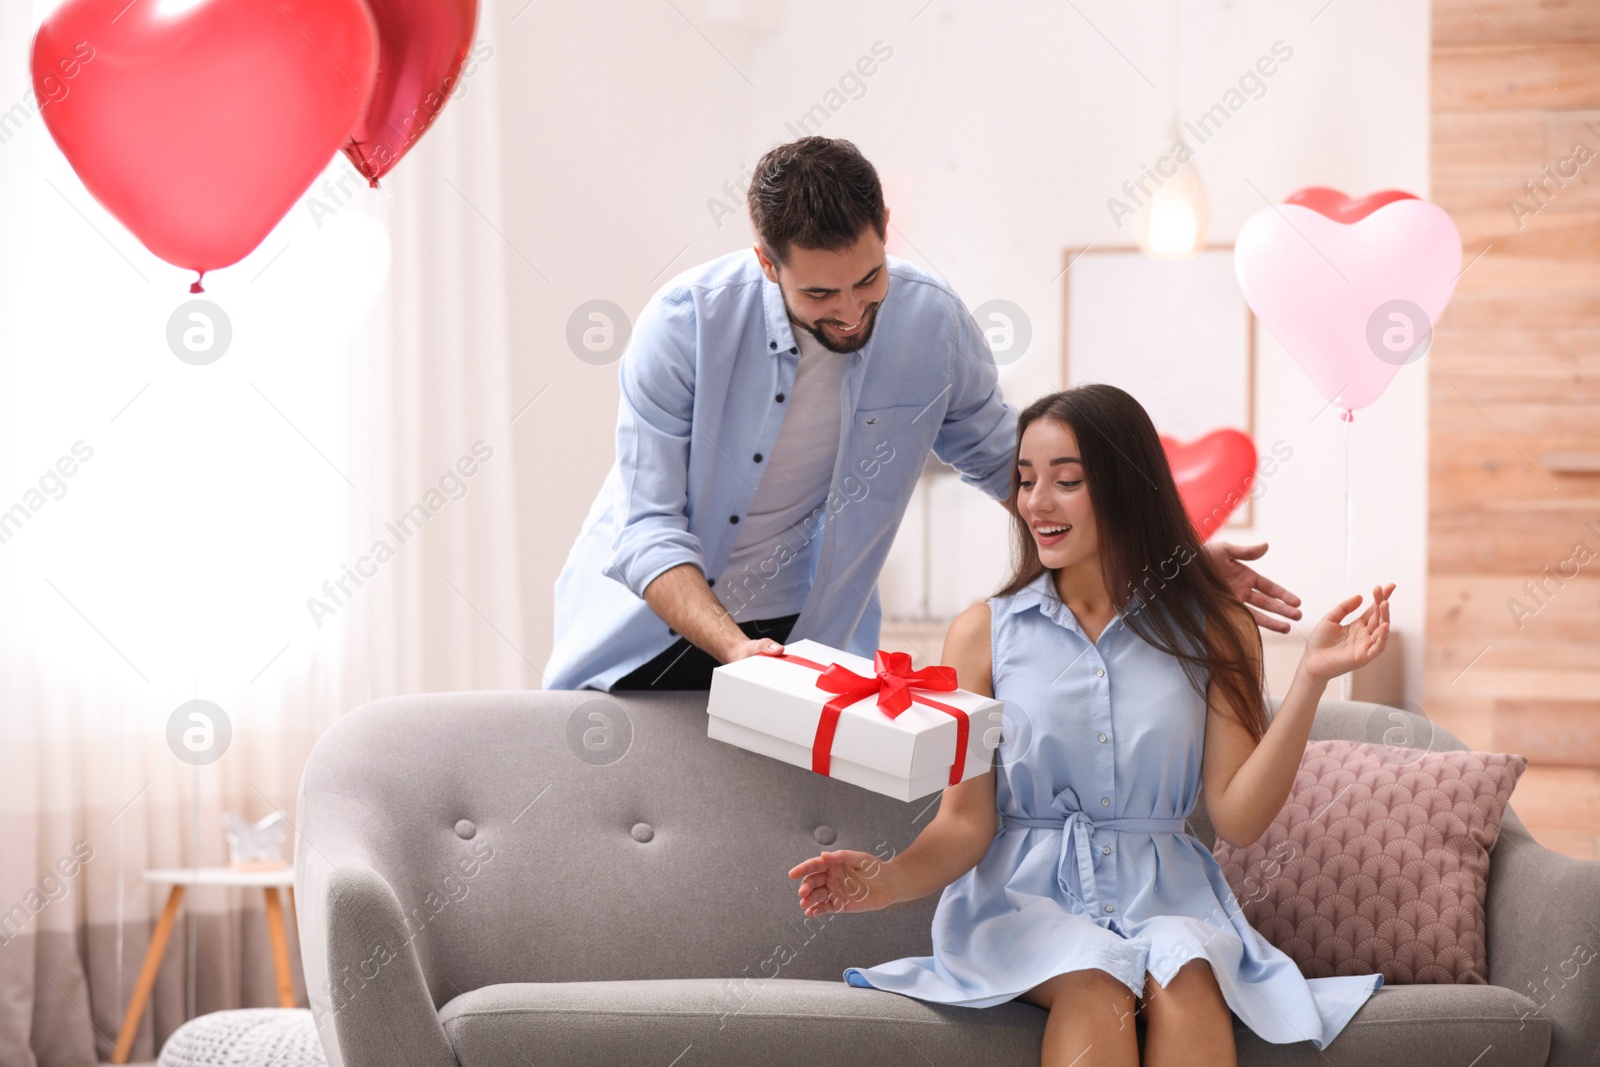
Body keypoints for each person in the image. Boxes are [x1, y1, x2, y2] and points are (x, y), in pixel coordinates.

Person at [543, 137, 1302, 692]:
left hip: (809, 640)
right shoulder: (683, 328)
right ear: (767, 262)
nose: (849, 312)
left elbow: (1016, 470)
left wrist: (1174, 559)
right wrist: (733, 649)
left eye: (867, 279)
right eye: (819, 295)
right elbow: (646, 529)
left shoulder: (929, 325)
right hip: (653, 630)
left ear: (885, 223)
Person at [788, 384, 1393, 1066]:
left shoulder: (1216, 627)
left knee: (1188, 981)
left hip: (1167, 898)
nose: (1036, 502)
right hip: (1023, 903)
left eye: (1066, 481)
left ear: (1127, 488)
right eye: (1025, 480)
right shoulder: (982, 634)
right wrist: (887, 879)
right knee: (1098, 980)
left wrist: (1310, 678)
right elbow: (967, 821)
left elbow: (1240, 817)